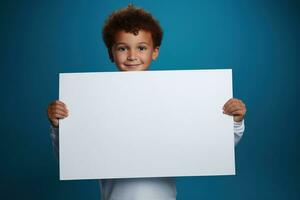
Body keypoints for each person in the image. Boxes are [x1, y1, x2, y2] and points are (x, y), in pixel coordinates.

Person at [47, 5, 246, 200]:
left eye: (141, 48)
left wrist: (235, 122)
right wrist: (58, 127)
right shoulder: (95, 102)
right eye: (123, 48)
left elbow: (210, 146)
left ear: (155, 52)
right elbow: (72, 156)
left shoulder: (175, 98)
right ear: (111, 53)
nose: (132, 56)